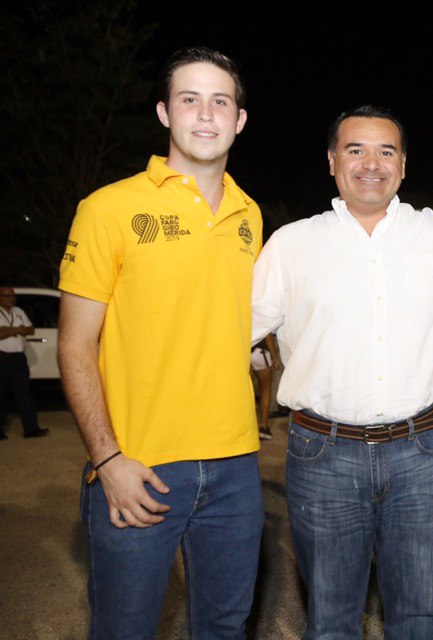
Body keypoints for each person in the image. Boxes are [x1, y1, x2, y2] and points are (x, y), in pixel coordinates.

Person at [57, 47, 264, 638]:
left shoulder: (249, 215)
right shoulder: (108, 208)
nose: (206, 114)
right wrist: (108, 459)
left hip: (236, 469)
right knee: (125, 629)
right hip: (138, 464)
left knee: (225, 628)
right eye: (189, 99)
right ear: (164, 113)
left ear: (239, 119)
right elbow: (74, 346)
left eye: (220, 101)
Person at [251, 105, 433, 639]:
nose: (371, 163)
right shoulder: (291, 244)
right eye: (356, 150)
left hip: (421, 453)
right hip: (322, 455)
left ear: (403, 165)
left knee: (416, 616)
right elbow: (226, 338)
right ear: (332, 161)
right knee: (331, 620)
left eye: (385, 151)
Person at [0, 286, 47, 439]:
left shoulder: (18, 311)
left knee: (24, 394)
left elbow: (31, 330)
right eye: (6, 296)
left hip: (19, 358)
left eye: (12, 296)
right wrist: (18, 330)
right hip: (2, 358)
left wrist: (8, 330)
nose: (11, 299)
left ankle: (31, 429)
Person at [251, 334, 280, 440]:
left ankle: (249, 425)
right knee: (265, 389)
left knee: (247, 391)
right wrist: (274, 357)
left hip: (244, 353)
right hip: (260, 353)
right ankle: (263, 426)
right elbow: (268, 337)